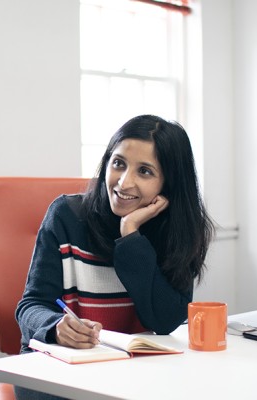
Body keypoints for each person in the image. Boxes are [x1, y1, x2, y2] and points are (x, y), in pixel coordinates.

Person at [14, 115, 214, 399]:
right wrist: (55, 327)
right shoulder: (66, 216)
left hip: (131, 374)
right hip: (58, 369)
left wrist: (130, 237)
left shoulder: (178, 232)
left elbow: (166, 320)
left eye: (145, 171)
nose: (123, 182)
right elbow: (30, 306)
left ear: (168, 184)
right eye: (118, 163)